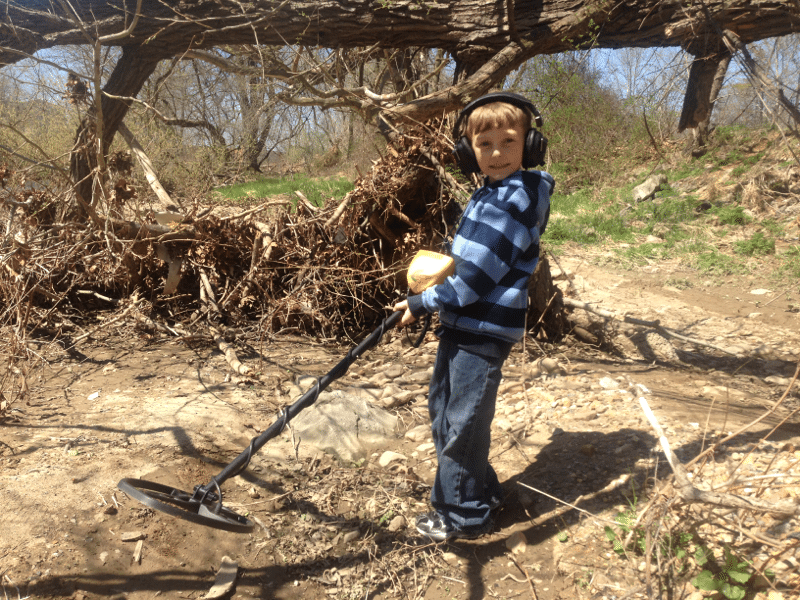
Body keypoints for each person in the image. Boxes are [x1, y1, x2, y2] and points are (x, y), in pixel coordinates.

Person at [393, 91, 555, 542]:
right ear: (468, 151)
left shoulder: (511, 202)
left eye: (509, 141)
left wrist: (423, 302)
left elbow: (476, 279)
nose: (497, 153)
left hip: (482, 330)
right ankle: (481, 489)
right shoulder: (491, 194)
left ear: (531, 144)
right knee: (445, 410)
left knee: (463, 420)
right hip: (464, 322)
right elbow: (465, 266)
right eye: (484, 145)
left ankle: (461, 515)